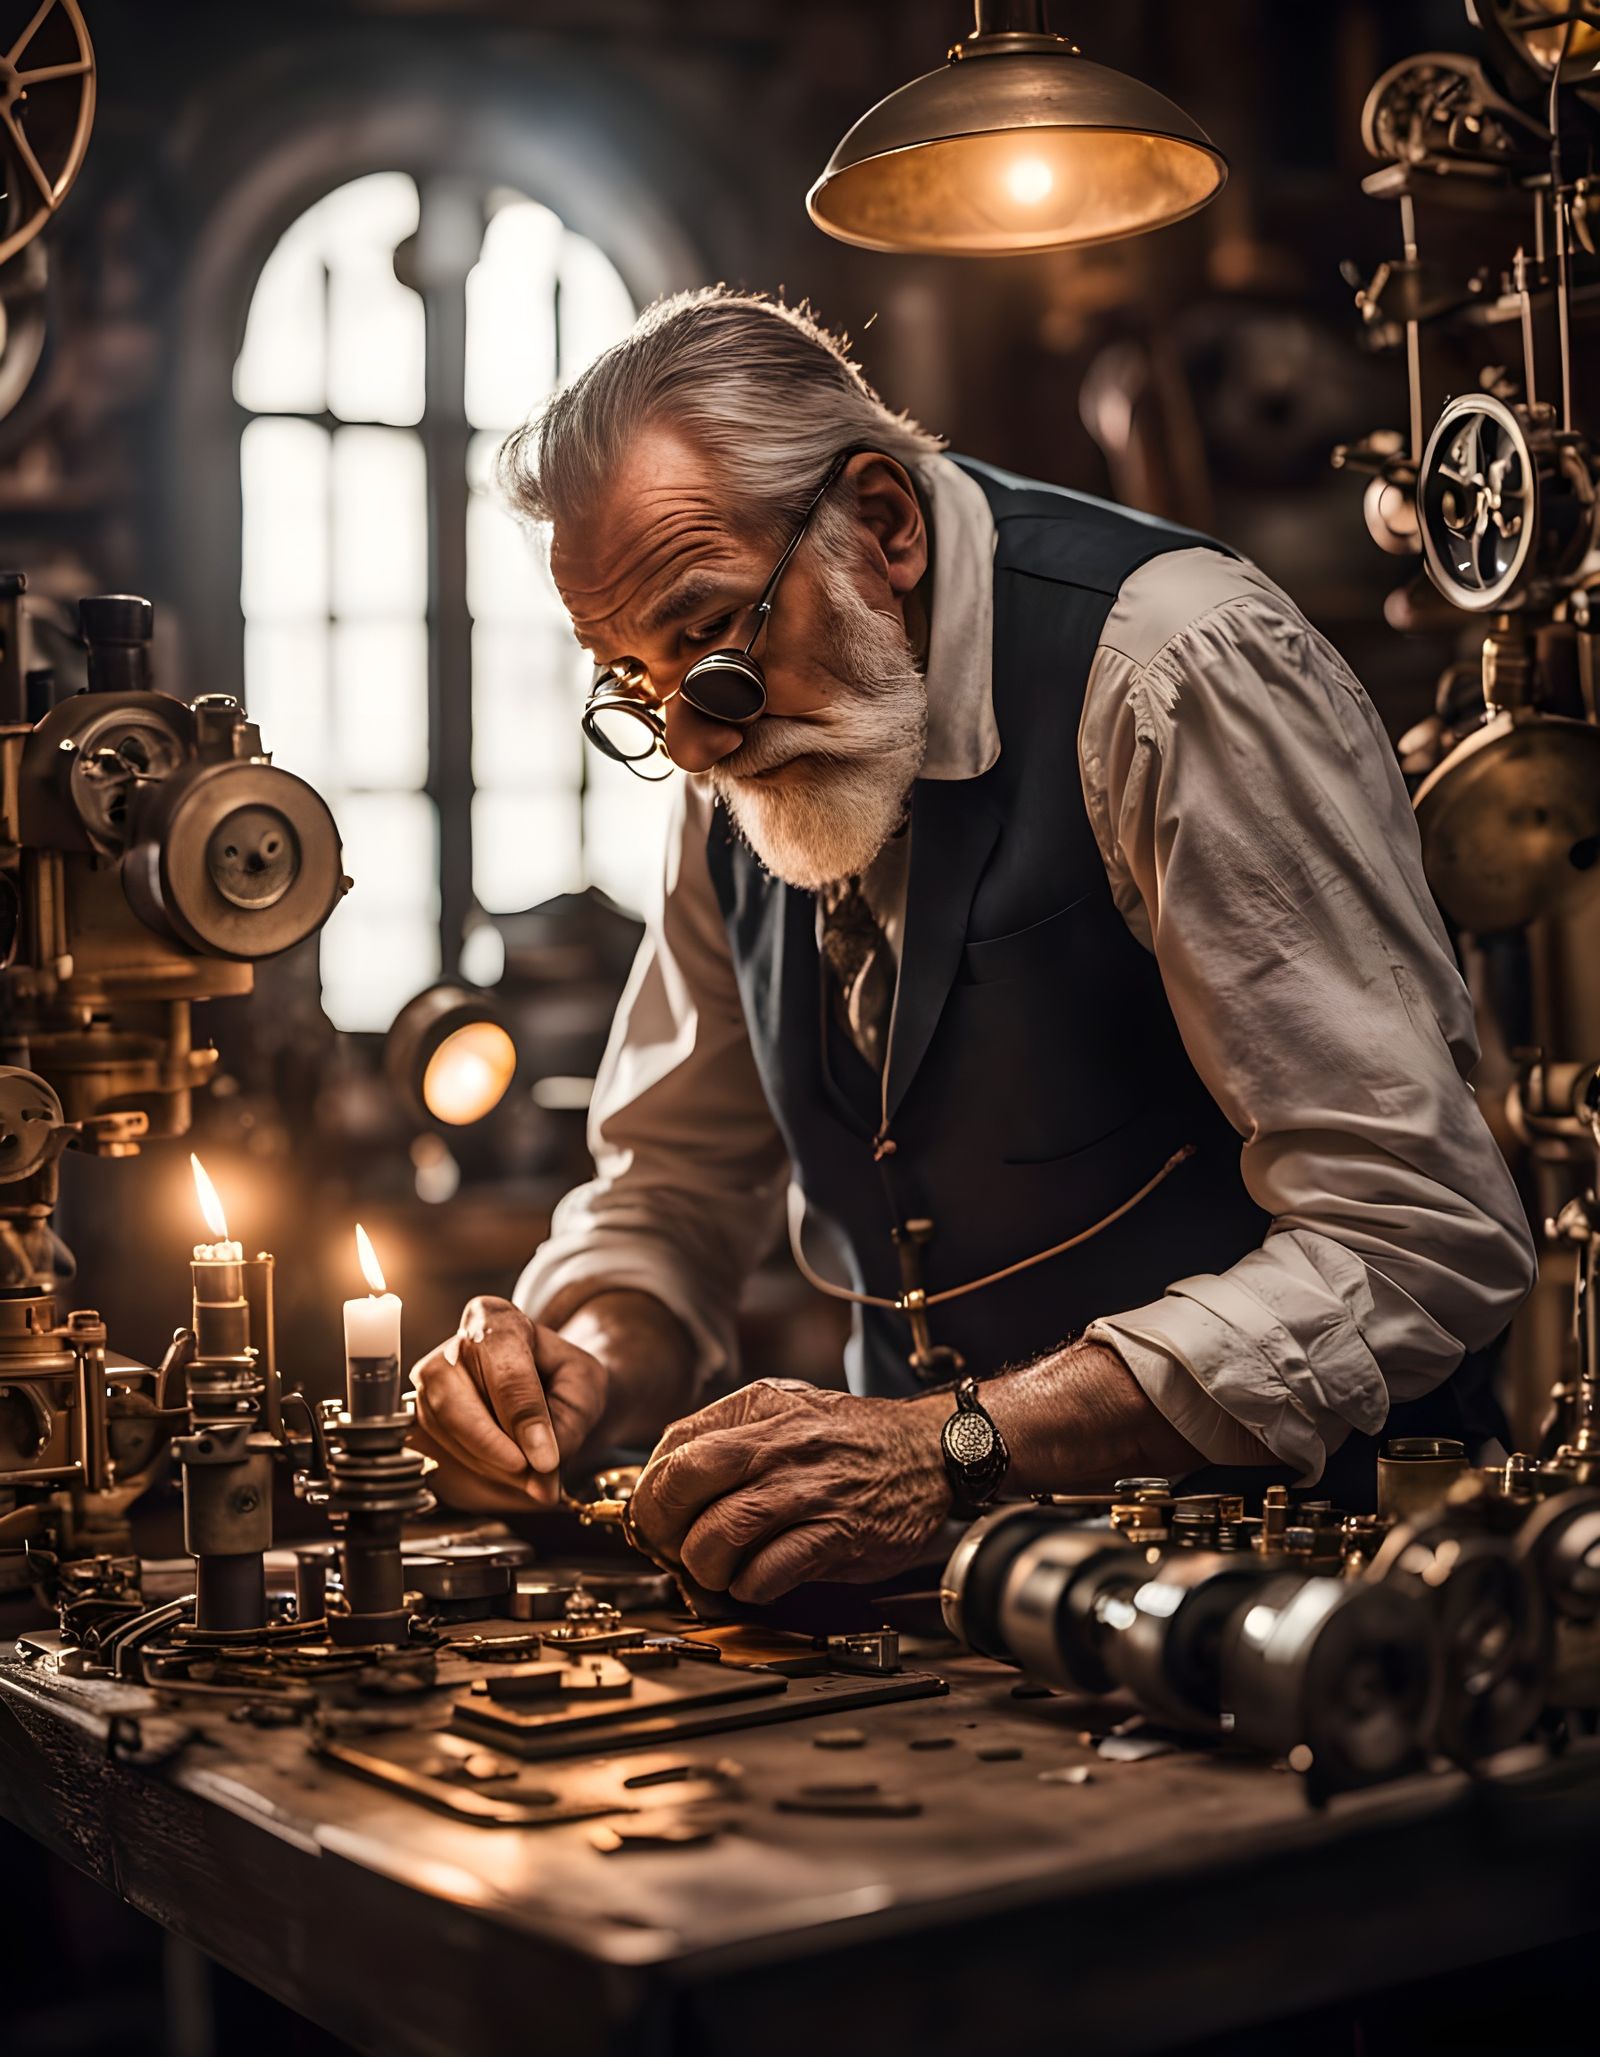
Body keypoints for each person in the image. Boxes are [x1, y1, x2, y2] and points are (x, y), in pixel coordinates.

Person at [408, 287, 1535, 1605]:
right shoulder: (726, 742)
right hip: (951, 1607)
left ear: (880, 522)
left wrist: (959, 1444)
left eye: (713, 637)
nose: (693, 743)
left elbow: (1416, 1236)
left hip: (1308, 1603)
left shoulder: (1176, 667)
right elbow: (668, 1194)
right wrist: (581, 1357)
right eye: (635, 680)